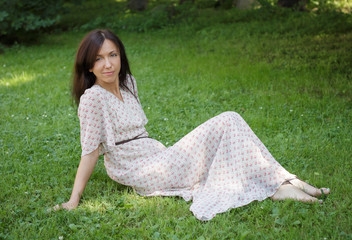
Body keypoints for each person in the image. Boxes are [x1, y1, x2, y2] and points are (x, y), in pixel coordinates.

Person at [53, 29, 330, 221]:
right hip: (138, 169)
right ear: (88, 66)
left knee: (224, 147)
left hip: (158, 155)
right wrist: (74, 199)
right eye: (98, 59)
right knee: (229, 119)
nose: (108, 64)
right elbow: (90, 152)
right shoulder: (93, 99)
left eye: (112, 55)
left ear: (120, 56)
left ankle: (280, 183)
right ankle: (282, 183)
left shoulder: (128, 84)